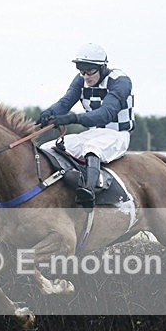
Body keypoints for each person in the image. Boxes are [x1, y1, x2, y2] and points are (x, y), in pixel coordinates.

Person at [37, 43, 135, 208]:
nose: (86, 77)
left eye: (90, 71)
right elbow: (65, 103)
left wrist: (71, 118)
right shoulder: (81, 79)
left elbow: (105, 114)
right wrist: (48, 114)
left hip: (117, 134)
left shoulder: (120, 81)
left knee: (91, 149)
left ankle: (88, 192)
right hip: (92, 134)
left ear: (103, 67)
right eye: (82, 71)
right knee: (47, 149)